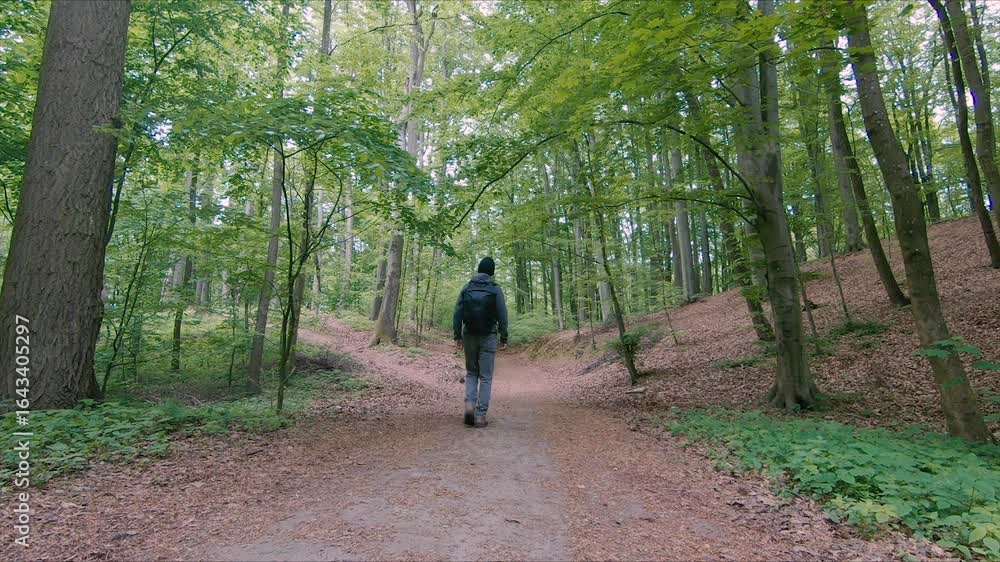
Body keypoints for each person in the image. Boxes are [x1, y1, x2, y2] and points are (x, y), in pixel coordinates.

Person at [453, 256, 509, 428]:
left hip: (469, 334)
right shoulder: (495, 289)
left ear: (478, 269)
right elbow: (502, 314)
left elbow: (457, 313)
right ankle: (480, 416)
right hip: (488, 336)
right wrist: (504, 336)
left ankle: (469, 410)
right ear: (492, 272)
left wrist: (457, 336)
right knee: (485, 377)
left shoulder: (467, 287)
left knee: (471, 373)